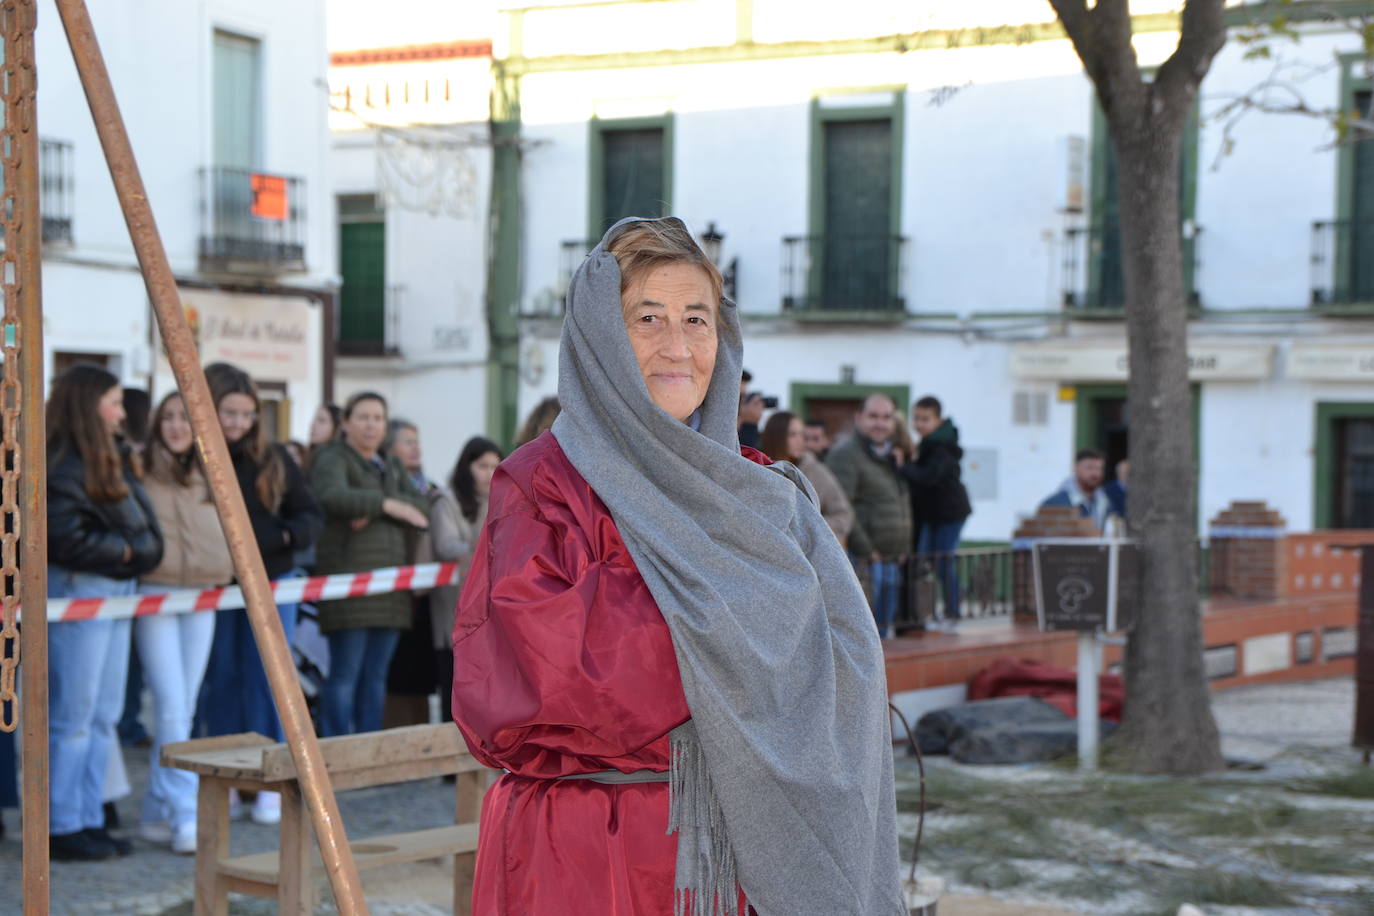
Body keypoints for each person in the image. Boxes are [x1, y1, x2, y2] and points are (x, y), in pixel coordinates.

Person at [452, 217, 903, 916]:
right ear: (601, 334)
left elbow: (844, 659)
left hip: (745, 850)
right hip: (589, 857)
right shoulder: (544, 484)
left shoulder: (763, 490)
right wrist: (750, 627)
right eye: (647, 318)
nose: (678, 346)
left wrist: (727, 624)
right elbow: (545, 677)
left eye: (697, 319)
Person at [46, 363, 163, 860]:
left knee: (103, 713)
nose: (121, 411)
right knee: (73, 713)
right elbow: (62, 536)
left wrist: (134, 552)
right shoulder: (63, 463)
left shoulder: (111, 455)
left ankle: (89, 815)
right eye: (113, 401)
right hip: (82, 590)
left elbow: (142, 524)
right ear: (90, 405)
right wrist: (122, 552)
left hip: (113, 589)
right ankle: (62, 822)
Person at [199, 362, 322, 825]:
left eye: (247, 413)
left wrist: (279, 538)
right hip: (216, 588)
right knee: (222, 680)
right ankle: (229, 776)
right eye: (229, 412)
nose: (238, 423)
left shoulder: (274, 457)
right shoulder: (196, 458)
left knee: (268, 680)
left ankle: (271, 780)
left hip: (271, 583)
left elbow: (309, 516)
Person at [135, 393, 234, 853]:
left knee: (185, 706)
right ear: (157, 424)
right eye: (168, 417)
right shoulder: (138, 469)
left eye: (184, 417)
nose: (177, 426)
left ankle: (157, 809)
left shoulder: (211, 469)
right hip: (156, 592)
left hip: (204, 593)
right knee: (172, 706)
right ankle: (183, 813)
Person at [310, 391, 429, 737]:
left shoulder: (389, 464)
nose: (370, 425)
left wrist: (374, 508)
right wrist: (389, 507)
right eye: (362, 417)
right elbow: (332, 496)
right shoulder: (332, 458)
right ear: (345, 422)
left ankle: (368, 750)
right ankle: (336, 749)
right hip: (349, 585)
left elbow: (420, 507)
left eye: (378, 418)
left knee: (376, 677)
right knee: (345, 675)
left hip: (389, 591)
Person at [428, 436, 502, 726]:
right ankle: (452, 768)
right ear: (466, 467)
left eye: (495, 466)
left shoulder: (503, 498)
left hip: (492, 609)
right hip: (453, 607)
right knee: (454, 683)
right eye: (482, 465)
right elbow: (446, 544)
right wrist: (483, 551)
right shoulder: (446, 500)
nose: (489, 473)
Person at [826, 393, 912, 636]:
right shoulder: (846, 455)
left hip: (891, 560)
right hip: (864, 561)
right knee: (864, 636)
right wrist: (866, 551)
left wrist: (904, 546)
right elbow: (843, 506)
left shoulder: (891, 456)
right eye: (873, 416)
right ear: (858, 418)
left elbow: (901, 502)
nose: (880, 423)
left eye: (886, 417)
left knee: (884, 636)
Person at [381, 417, 438, 728]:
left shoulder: (428, 488)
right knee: (396, 669)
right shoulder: (388, 485)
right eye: (407, 441)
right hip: (392, 588)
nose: (416, 449)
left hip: (424, 592)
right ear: (390, 449)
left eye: (417, 441)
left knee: (418, 670)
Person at [899, 396, 973, 624]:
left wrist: (903, 467)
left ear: (938, 420)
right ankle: (933, 608)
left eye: (925, 419)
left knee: (942, 560)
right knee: (927, 560)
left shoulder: (939, 446)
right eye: (916, 419)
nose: (920, 424)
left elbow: (928, 477)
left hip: (949, 514)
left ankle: (953, 609)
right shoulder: (928, 444)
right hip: (933, 515)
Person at [759, 410, 853, 546]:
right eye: (793, 434)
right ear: (776, 437)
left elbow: (843, 515)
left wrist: (810, 527)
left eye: (801, 434)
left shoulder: (816, 471)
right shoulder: (757, 468)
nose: (800, 440)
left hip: (806, 557)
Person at [1042, 448, 1115, 532]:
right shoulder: (1055, 504)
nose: (1095, 474)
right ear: (1075, 468)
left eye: (1099, 468)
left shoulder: (1106, 502)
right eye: (1089, 468)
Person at [305, 403, 341, 469]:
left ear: (336, 427)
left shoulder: (336, 459)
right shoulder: (313, 455)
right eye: (314, 420)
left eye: (322, 421)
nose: (313, 425)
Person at [1103, 457, 1129, 523]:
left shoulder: (1137, 488)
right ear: (1118, 472)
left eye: (1128, 472)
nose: (1127, 475)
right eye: (1124, 472)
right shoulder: (1108, 488)